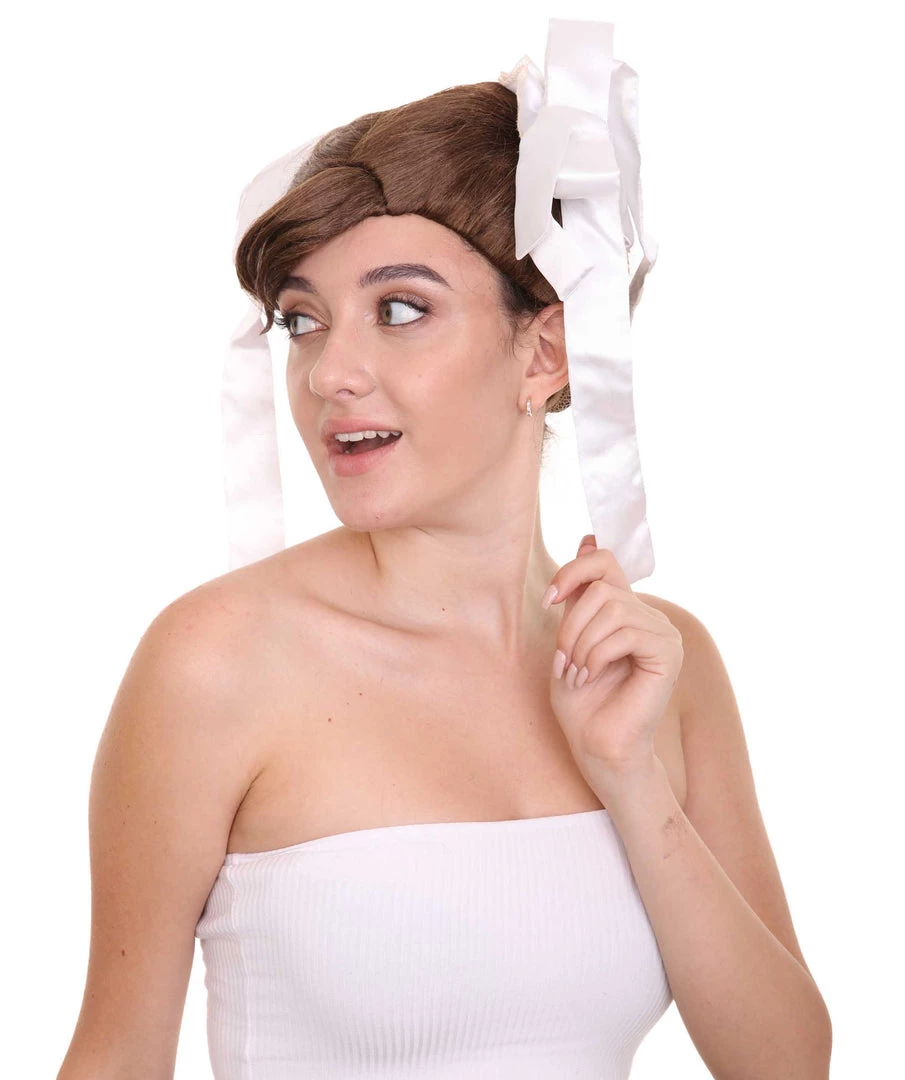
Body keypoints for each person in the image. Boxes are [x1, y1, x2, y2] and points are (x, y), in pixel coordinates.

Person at [56, 19, 832, 1080]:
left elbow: (786, 1063)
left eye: (399, 309)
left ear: (544, 350)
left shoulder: (657, 665)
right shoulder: (216, 661)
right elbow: (114, 1059)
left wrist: (629, 779)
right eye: (303, 320)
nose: (330, 373)